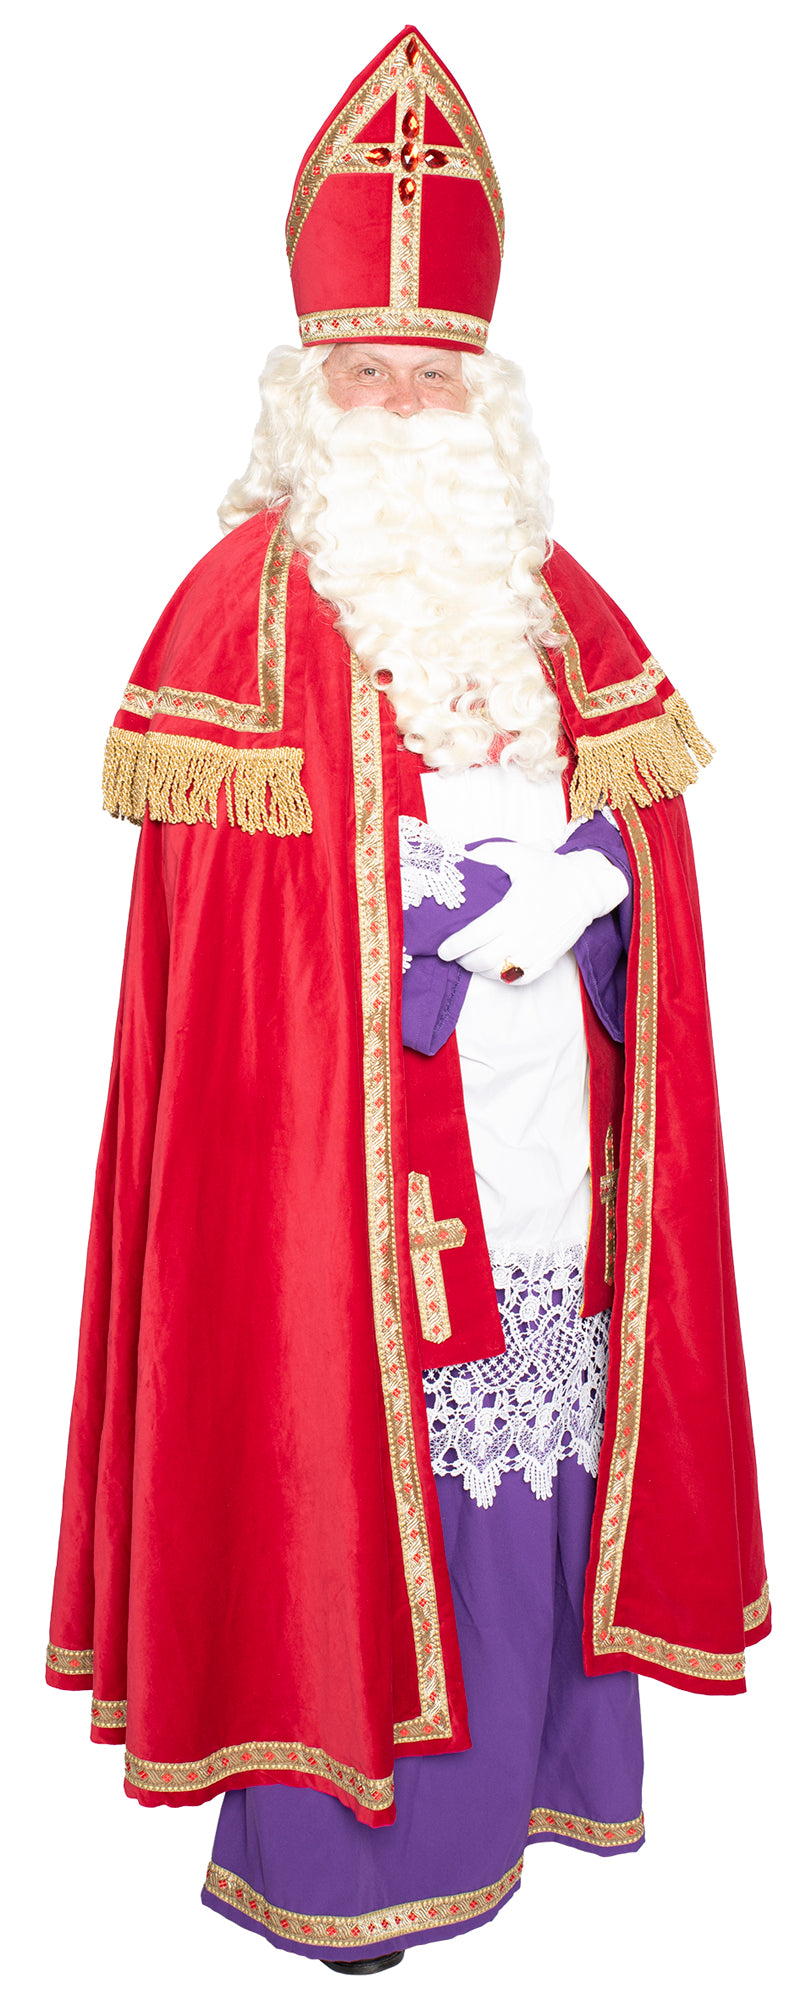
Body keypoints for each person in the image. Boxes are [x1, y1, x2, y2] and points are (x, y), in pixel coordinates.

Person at [46, 22, 769, 1975]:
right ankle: (344, 1877)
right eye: (365, 373)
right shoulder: (238, 613)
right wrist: (454, 926)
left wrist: (585, 893)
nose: (402, 405)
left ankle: (529, 1800)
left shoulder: (558, 599)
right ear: (306, 391)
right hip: (338, 1195)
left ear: (485, 395)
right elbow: (239, 951)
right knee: (341, 1501)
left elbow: (648, 854)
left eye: (432, 374)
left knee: (530, 1489)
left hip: (545, 1153)